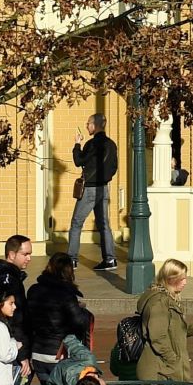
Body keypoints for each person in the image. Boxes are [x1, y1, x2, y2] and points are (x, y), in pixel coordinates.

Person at [21, 252, 91, 371]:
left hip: (37, 352)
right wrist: (82, 311)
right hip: (59, 353)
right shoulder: (67, 295)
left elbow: (28, 320)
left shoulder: (33, 290)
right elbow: (80, 323)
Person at [67, 116, 119, 272]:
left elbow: (78, 161)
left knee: (76, 223)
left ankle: (71, 260)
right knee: (104, 225)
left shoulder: (92, 144)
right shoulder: (111, 144)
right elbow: (114, 167)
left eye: (88, 124)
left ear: (95, 125)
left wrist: (77, 143)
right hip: (104, 188)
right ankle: (110, 259)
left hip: (90, 188)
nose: (86, 126)